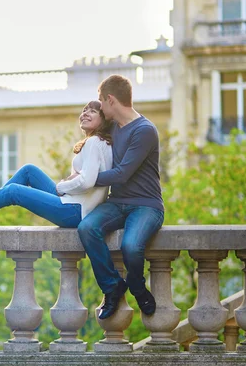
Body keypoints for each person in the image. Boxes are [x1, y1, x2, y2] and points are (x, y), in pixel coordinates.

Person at [77, 74, 164, 320]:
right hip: (117, 203)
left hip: (146, 206)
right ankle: (112, 287)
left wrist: (82, 180)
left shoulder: (144, 130)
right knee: (87, 228)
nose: (100, 107)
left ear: (111, 100)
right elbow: (91, 141)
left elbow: (122, 173)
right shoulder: (112, 127)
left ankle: (136, 287)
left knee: (131, 246)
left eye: (101, 102)